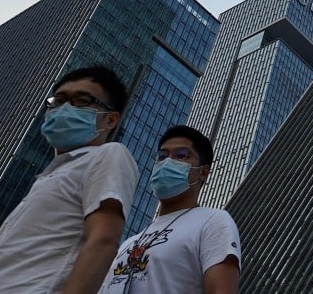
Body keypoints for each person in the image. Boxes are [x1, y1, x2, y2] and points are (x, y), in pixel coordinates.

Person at [0, 64, 138, 294]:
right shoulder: (45, 178)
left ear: (111, 120)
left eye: (81, 100)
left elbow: (103, 241)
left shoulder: (109, 154)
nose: (64, 108)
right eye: (59, 100)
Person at [99, 125, 241, 293]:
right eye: (162, 156)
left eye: (181, 156)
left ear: (203, 172)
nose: (167, 162)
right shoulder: (129, 243)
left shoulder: (213, 221)